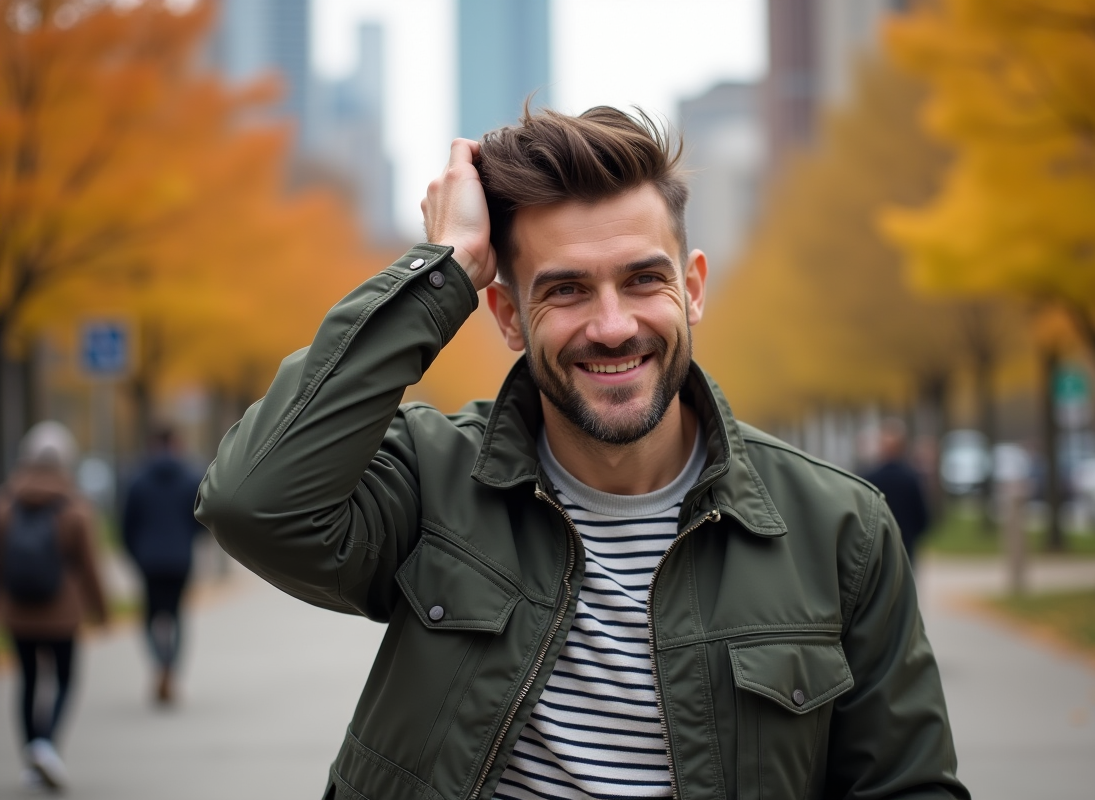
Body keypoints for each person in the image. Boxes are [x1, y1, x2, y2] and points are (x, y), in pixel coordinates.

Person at [198, 106, 968, 800]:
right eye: (565, 290)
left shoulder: (843, 529)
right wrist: (440, 273)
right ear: (504, 314)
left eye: (643, 280)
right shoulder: (430, 479)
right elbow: (253, 502)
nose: (611, 325)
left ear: (692, 290)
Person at [0, 421, 108, 791]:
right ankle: (46, 745)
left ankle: (32, 757)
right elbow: (90, 567)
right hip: (63, 614)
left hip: (17, 612)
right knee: (64, 679)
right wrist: (102, 611)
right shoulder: (75, 507)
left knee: (28, 680)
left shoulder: (6, 504)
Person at [122, 425, 204, 705]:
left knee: (149, 617)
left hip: (149, 561)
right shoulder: (190, 477)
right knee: (177, 615)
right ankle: (171, 670)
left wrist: (136, 554)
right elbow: (202, 518)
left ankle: (160, 665)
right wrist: (187, 541)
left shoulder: (138, 479)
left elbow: (127, 525)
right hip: (180, 560)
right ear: (175, 443)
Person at [864, 419, 932, 567]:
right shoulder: (912, 478)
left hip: (877, 547)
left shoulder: (869, 478)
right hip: (905, 544)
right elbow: (922, 517)